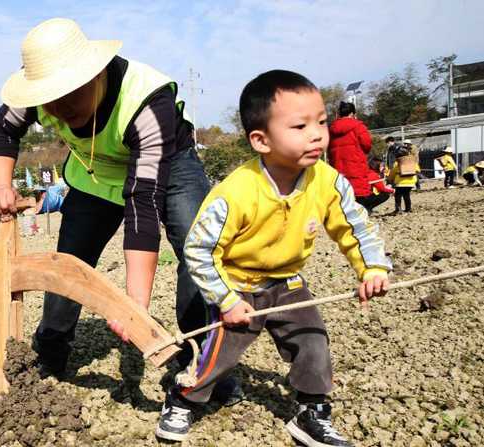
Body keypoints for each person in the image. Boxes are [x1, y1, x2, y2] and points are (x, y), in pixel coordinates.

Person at [0, 17, 229, 384]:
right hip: (96, 172)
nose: (60, 109)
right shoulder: (39, 94)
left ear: (93, 74)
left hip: (169, 164)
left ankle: (202, 357)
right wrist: (1, 186)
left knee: (199, 248)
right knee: (68, 260)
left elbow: (141, 204)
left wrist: (134, 310)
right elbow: (4, 129)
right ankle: (49, 353)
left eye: (70, 95)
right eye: (50, 102)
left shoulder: (146, 101)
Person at [155, 70, 391, 446]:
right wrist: (227, 300)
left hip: (288, 282)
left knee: (313, 341)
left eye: (321, 122)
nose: (317, 134)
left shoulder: (327, 181)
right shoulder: (235, 192)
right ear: (261, 140)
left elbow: (355, 227)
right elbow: (198, 251)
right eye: (299, 126)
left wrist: (373, 268)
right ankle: (183, 397)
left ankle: (312, 412)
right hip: (237, 285)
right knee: (219, 358)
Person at [328, 101, 373, 207]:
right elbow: (367, 145)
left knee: (342, 196)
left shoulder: (331, 129)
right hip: (356, 165)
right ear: (353, 114)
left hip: (337, 167)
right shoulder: (358, 126)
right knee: (358, 196)